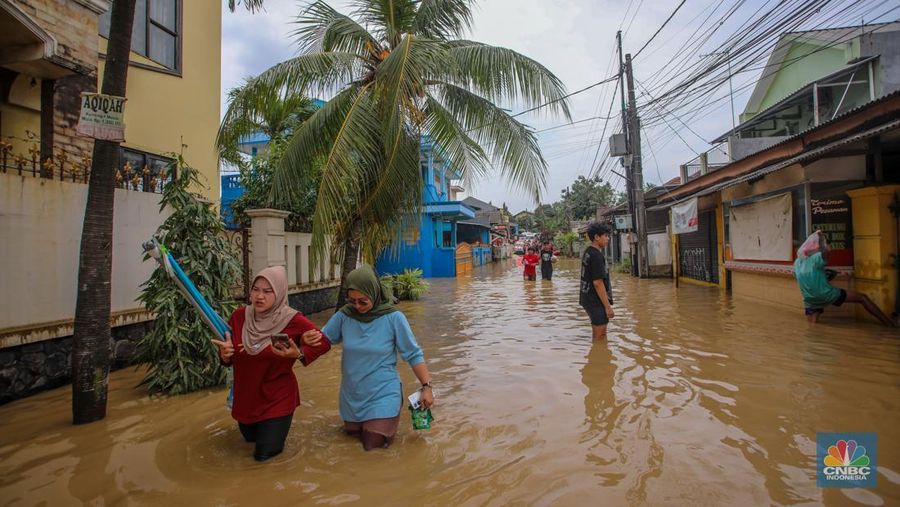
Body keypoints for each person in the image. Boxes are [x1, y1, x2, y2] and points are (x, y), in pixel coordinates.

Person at [211, 266, 331, 462]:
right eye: (255, 289)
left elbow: (324, 343)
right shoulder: (239, 317)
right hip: (247, 399)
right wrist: (224, 355)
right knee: (249, 440)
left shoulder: (292, 319)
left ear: (280, 293)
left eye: (268, 291)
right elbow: (232, 356)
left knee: (264, 457)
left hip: (277, 399)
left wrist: (299, 352)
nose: (259, 296)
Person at [314, 265, 435, 451]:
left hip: (383, 394)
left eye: (363, 301)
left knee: (373, 447)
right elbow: (323, 340)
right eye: (352, 301)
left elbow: (413, 354)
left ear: (374, 293)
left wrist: (427, 387)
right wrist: (302, 345)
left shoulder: (394, 318)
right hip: (352, 397)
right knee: (349, 441)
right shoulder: (344, 316)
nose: (357, 306)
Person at [794, 230, 894, 326]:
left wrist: (822, 277)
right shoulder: (815, 258)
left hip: (809, 299)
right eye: (828, 244)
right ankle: (889, 324)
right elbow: (826, 251)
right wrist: (820, 237)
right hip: (825, 294)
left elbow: (804, 278)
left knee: (813, 324)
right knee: (862, 298)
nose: (830, 247)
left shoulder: (797, 263)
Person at [580, 222, 614, 341]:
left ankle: (598, 356)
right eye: (605, 236)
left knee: (599, 334)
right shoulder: (596, 256)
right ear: (596, 237)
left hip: (588, 298)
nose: (608, 239)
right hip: (595, 300)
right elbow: (598, 283)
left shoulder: (588, 252)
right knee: (600, 335)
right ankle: (598, 358)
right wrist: (608, 307)